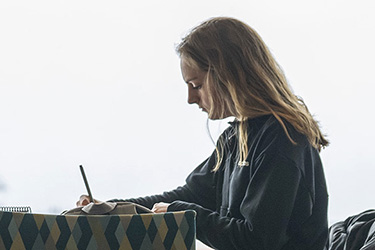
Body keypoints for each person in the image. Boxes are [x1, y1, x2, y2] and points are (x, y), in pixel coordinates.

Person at [77, 17, 329, 250]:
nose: (190, 98)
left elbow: (256, 240)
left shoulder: (283, 138)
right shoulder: (235, 138)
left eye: (196, 85)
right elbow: (190, 195)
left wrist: (179, 212)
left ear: (228, 75)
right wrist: (112, 209)